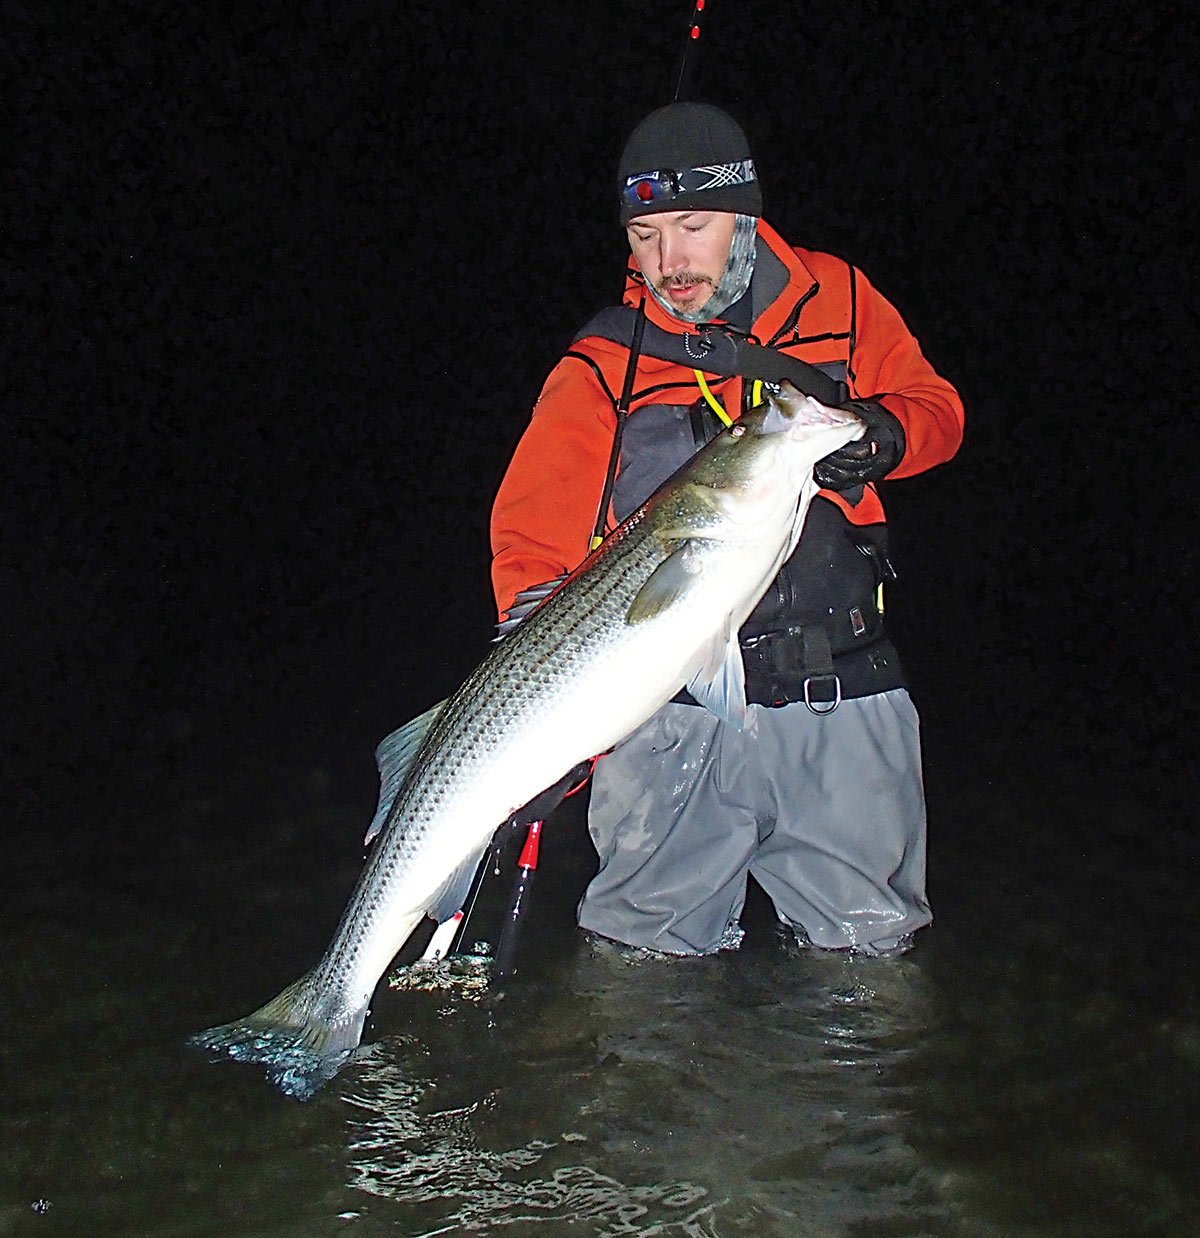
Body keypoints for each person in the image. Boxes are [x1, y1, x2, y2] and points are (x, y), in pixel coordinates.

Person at [489, 102, 964, 957]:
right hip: (670, 715)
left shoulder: (843, 297)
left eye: (694, 225)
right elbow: (533, 550)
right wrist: (556, 705)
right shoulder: (604, 362)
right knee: (641, 969)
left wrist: (887, 433)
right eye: (645, 235)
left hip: (841, 688)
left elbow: (939, 410)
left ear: (743, 214)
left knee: (864, 970)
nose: (668, 260)